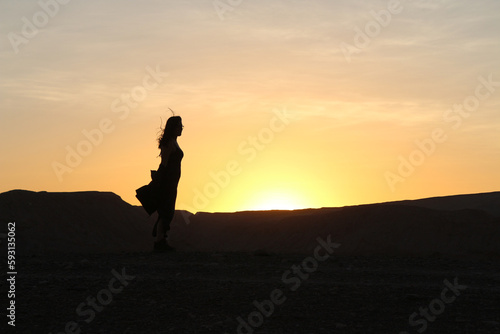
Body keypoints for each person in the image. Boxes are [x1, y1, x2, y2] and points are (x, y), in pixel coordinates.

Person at [152, 116, 184, 252]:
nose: (181, 128)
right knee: (166, 210)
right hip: (167, 181)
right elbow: (164, 163)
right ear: (173, 127)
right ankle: (160, 241)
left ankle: (161, 239)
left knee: (168, 210)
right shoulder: (169, 143)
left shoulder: (174, 142)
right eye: (179, 125)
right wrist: (158, 181)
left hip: (173, 181)